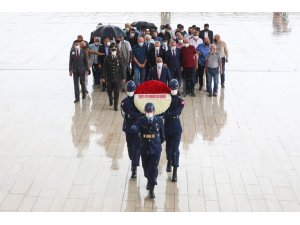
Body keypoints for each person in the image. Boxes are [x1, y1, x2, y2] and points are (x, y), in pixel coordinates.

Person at [130, 103, 165, 198]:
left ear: (154, 111)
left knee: (153, 168)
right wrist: (133, 129)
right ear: (145, 112)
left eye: (150, 111)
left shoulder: (159, 120)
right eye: (147, 111)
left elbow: (162, 136)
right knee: (146, 168)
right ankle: (149, 179)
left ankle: (152, 189)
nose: (149, 113)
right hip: (144, 146)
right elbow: (136, 127)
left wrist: (157, 144)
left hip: (156, 147)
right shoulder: (141, 120)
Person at [163, 79, 184, 182]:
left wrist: (165, 114)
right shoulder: (166, 98)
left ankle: (175, 169)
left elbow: (176, 112)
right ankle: (169, 161)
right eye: (172, 88)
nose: (173, 90)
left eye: (175, 88)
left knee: (175, 150)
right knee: (168, 148)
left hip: (176, 128)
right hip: (167, 127)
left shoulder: (180, 101)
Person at [121, 81, 143, 178]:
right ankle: (133, 160)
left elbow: (141, 112)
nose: (130, 92)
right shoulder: (124, 102)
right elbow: (127, 112)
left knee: (136, 147)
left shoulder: (139, 100)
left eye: (131, 90)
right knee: (130, 146)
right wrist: (137, 114)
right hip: (128, 125)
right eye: (129, 90)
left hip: (137, 125)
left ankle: (134, 167)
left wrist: (137, 115)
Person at [102, 44, 126, 111]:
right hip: (109, 77)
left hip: (117, 78)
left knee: (116, 93)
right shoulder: (107, 58)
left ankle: (115, 106)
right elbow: (104, 68)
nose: (113, 51)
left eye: (115, 49)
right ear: (110, 50)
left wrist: (124, 77)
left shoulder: (119, 58)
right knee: (109, 90)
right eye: (112, 49)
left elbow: (122, 68)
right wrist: (103, 77)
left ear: (116, 50)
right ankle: (110, 98)